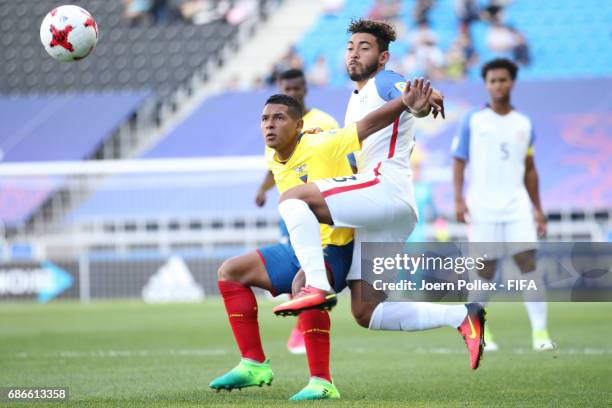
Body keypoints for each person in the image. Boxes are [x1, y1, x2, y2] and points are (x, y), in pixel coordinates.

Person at [272, 19, 486, 371]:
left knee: (294, 199)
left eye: (365, 47)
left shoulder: (382, 81)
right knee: (367, 311)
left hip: (383, 189)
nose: (355, 53)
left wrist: (424, 99)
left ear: (383, 57)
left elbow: (408, 95)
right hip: (387, 208)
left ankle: (315, 284)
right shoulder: (356, 97)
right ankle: (464, 315)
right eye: (350, 47)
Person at [210, 86, 423, 400]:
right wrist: (261, 189)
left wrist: (404, 102)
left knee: (304, 284)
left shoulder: (321, 142)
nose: (269, 124)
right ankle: (253, 363)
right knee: (230, 271)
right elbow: (276, 172)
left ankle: (322, 382)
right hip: (298, 246)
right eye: (265, 119)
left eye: (279, 118)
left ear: (298, 125)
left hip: (334, 248)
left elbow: (366, 126)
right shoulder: (272, 153)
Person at [452, 58, 554, 352]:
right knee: (485, 271)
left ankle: (540, 334)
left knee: (529, 265)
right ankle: (480, 333)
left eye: (503, 80)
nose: (498, 85)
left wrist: (537, 208)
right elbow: (459, 161)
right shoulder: (473, 119)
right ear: (486, 85)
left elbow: (530, 168)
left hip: (518, 206)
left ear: (512, 82)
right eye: (493, 80)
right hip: (481, 207)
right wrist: (458, 199)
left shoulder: (524, 122)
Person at [254, 68, 341, 355]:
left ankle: (304, 327)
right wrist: (263, 189)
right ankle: (303, 324)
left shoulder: (324, 122)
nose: (292, 93)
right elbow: (275, 166)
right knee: (299, 273)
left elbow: (339, 156)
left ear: (305, 89)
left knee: (314, 277)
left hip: (325, 214)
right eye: (286, 88)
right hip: (292, 214)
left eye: (297, 89)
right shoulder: (274, 126)